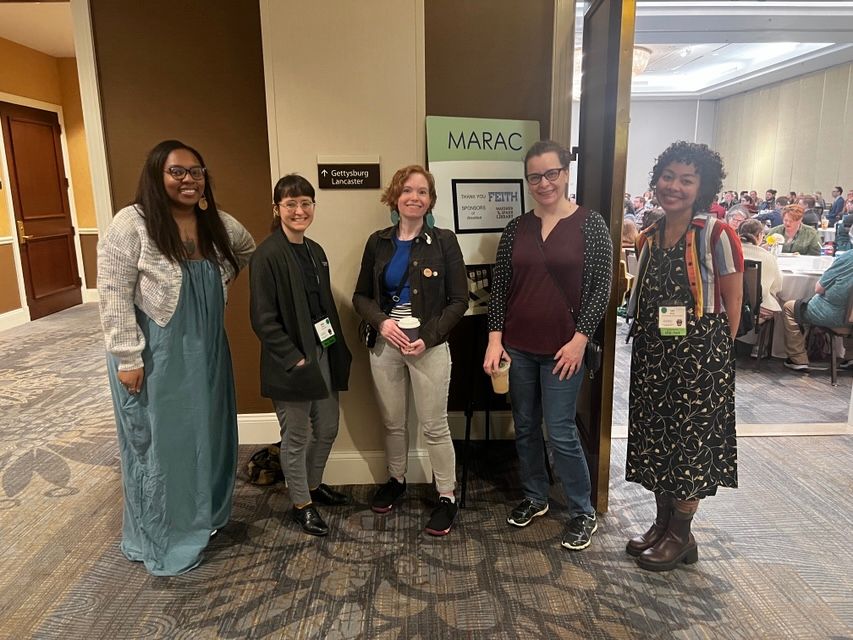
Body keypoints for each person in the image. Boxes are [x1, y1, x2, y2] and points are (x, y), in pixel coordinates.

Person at [97, 140, 255, 576]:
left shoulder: (215, 223)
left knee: (210, 432)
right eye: (177, 172)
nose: (189, 179)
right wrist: (128, 357)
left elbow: (246, 248)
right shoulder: (131, 224)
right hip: (159, 350)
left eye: (196, 171)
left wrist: (218, 279)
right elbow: (112, 294)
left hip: (207, 343)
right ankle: (164, 534)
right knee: (163, 445)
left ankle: (205, 517)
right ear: (157, 175)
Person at [483, 140, 612, 551]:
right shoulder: (516, 228)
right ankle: (535, 495)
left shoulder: (591, 224)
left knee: (559, 431)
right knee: (524, 426)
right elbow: (500, 288)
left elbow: (602, 289)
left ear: (566, 173)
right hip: (518, 348)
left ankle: (582, 511)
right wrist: (495, 340)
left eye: (551, 173)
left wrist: (580, 341)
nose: (544, 183)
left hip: (563, 350)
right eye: (535, 176)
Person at [624, 141, 743, 572]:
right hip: (655, 355)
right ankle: (662, 525)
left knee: (690, 445)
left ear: (701, 187)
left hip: (700, 360)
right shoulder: (649, 235)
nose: (674, 186)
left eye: (686, 180)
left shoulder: (717, 234)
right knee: (658, 440)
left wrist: (717, 357)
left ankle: (681, 534)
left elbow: (733, 302)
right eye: (668, 176)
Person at [353, 165, 468, 536]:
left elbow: (459, 300)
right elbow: (360, 296)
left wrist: (429, 337)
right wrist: (382, 323)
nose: (414, 197)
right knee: (392, 422)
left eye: (422, 191)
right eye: (407, 190)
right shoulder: (378, 242)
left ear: (430, 200)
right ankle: (396, 480)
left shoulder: (444, 241)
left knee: (435, 426)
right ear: (395, 196)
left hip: (427, 346)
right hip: (386, 345)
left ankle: (446, 496)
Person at [249, 175, 352, 537]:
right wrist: (294, 358)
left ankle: (312, 485)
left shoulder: (315, 251)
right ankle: (301, 505)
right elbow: (262, 319)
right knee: (296, 437)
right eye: (290, 204)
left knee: (327, 428)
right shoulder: (266, 256)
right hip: (291, 361)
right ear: (276, 209)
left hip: (322, 351)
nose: (299, 210)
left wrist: (332, 349)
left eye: (305, 203)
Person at [782, 249, 853, 371]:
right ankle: (851, 357)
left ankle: (798, 358)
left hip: (831, 315)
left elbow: (818, 289)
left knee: (789, 307)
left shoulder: (848, 257)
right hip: (850, 321)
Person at [738, 218, 783, 319]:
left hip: (732, 306)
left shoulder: (730, 252)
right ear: (759, 236)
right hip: (758, 309)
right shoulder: (769, 257)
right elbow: (777, 287)